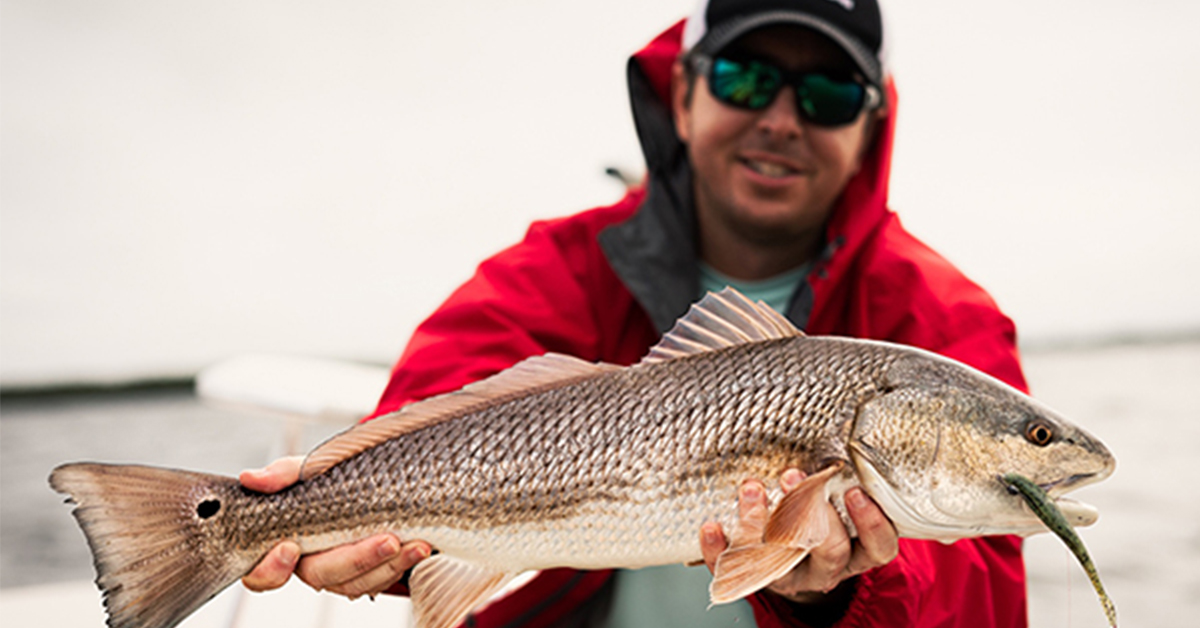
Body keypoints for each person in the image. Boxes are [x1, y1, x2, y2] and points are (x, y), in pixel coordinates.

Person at [240, 0, 1031, 626]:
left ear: (871, 128)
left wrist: (838, 596)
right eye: (745, 79)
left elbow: (987, 597)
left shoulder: (944, 315)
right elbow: (444, 400)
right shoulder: (558, 266)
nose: (782, 119)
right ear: (682, 94)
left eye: (827, 95)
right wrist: (340, 504)